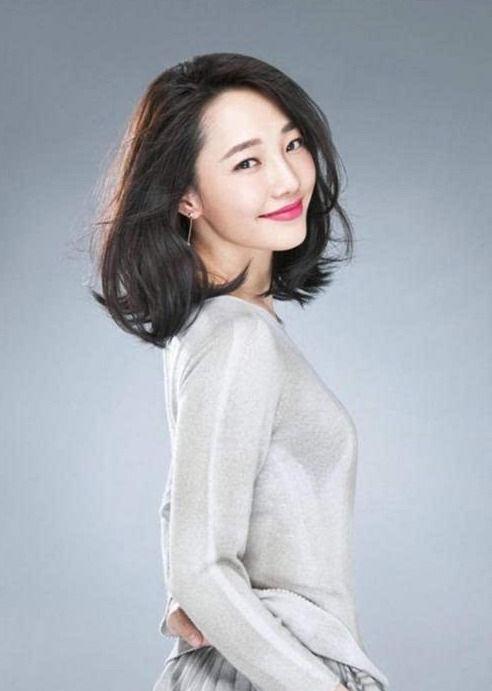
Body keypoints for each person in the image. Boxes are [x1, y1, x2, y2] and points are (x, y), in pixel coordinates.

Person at [89, 52, 391, 691]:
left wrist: (187, 596)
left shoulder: (209, 327)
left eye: (293, 144)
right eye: (247, 162)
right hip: (278, 665)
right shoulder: (236, 336)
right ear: (186, 195)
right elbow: (201, 566)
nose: (287, 180)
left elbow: (182, 503)